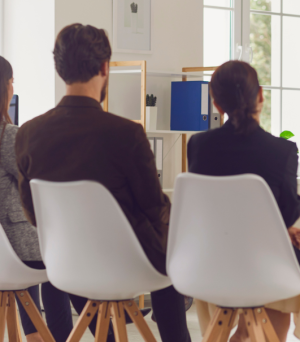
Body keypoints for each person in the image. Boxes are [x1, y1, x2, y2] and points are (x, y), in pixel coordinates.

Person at [15, 24, 191, 342]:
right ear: (104, 68)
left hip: (66, 263)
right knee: (172, 255)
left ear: (60, 69)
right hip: (126, 264)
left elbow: (34, 215)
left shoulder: (28, 133)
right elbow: (154, 208)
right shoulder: (127, 134)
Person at [188, 60, 300, 342]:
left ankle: (243, 333)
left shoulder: (199, 145)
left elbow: (207, 213)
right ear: (261, 96)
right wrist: (280, 232)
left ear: (216, 103)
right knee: (287, 263)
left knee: (265, 261)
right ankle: (253, 335)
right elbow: (288, 213)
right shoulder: (282, 150)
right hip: (263, 265)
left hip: (209, 264)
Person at [0, 56, 73, 342]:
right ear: (5, 88)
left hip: (9, 253)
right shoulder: (8, 137)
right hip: (16, 253)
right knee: (58, 258)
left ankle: (36, 335)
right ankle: (59, 336)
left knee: (45, 255)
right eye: (12, 83)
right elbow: (41, 181)